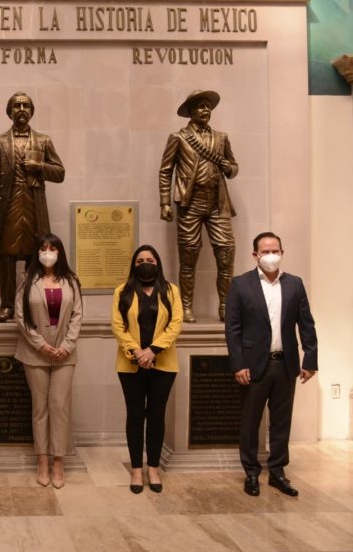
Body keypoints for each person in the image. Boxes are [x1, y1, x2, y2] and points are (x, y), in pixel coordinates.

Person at [225, 232, 318, 497]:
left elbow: (306, 324)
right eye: (265, 251)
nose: (270, 255)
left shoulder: (294, 284)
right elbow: (232, 329)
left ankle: (277, 471)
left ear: (282, 253)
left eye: (275, 250)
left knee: (281, 421)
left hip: (285, 364)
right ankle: (251, 473)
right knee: (250, 421)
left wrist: (310, 360)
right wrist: (238, 364)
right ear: (255, 255)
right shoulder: (240, 284)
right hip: (254, 366)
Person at [0, 91, 65, 322]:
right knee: (7, 257)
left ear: (31, 111)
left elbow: (60, 173)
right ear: (9, 112)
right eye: (16, 106)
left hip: (33, 204)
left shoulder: (43, 141)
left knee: (35, 255)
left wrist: (39, 166)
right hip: (9, 205)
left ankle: (31, 303)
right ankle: (7, 305)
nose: (21, 109)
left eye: (25, 106)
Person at [159, 89, 238, 323]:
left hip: (217, 204)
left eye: (208, 106)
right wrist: (165, 202)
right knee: (188, 257)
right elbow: (165, 171)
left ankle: (225, 306)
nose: (206, 110)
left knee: (226, 254)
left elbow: (233, 168)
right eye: (200, 106)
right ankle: (186, 307)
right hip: (190, 204)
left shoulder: (222, 138)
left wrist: (228, 167)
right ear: (191, 111)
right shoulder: (179, 137)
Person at [111, 245, 183, 494]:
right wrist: (137, 352)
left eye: (150, 260)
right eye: (140, 260)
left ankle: (153, 467)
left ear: (157, 263)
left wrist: (152, 350)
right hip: (130, 364)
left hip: (163, 363)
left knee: (156, 415)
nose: (145, 263)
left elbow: (175, 324)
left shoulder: (171, 290)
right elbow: (117, 326)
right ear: (134, 265)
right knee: (134, 416)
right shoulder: (122, 291)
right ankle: (136, 469)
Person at [14, 233, 83, 488]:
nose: (47, 252)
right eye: (43, 248)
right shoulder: (26, 280)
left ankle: (58, 461)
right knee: (40, 408)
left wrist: (66, 346)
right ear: (37, 252)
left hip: (64, 355)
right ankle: (42, 459)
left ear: (60, 252)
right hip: (35, 354)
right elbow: (21, 317)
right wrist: (41, 344)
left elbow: (77, 315)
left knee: (59, 406)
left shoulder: (71, 280)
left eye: (52, 248)